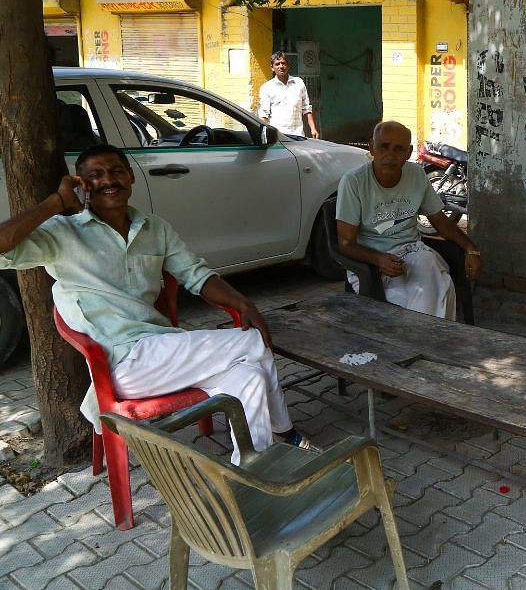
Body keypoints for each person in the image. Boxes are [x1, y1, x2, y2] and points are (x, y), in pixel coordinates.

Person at [0, 145, 313, 464]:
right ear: (82, 184)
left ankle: (251, 469)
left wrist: (243, 303)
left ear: (131, 176)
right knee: (251, 342)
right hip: (120, 362)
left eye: (116, 171)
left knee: (249, 376)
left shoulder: (154, 228)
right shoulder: (61, 234)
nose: (108, 180)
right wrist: (56, 203)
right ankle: (287, 435)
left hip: (163, 350)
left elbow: (195, 274)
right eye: (95, 175)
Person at [335, 120, 481, 318]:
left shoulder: (417, 175)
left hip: (412, 254)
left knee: (435, 278)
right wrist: (378, 259)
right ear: (372, 147)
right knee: (432, 296)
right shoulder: (354, 182)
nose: (390, 155)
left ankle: (424, 340)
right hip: (371, 264)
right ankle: (430, 340)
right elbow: (345, 243)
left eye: (398, 149)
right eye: (384, 147)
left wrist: (471, 249)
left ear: (408, 152)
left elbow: (440, 221)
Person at [258, 50, 319, 138]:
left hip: (298, 134)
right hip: (278, 137)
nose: (281, 66)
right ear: (272, 67)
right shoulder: (267, 87)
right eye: (277, 64)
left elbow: (306, 108)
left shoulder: (299, 83)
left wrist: (313, 129)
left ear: (288, 66)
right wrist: (263, 136)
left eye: (283, 63)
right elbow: (264, 115)